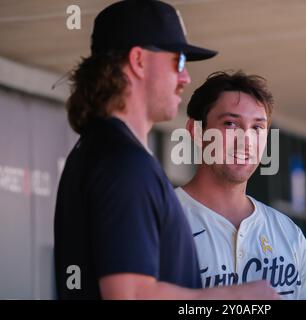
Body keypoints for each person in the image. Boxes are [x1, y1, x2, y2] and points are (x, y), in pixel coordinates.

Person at [54, 0, 278, 300]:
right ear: (139, 61)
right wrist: (236, 302)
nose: (184, 77)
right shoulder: (125, 163)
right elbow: (129, 296)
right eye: (179, 61)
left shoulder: (101, 149)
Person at [175, 70, 306, 299]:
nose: (246, 141)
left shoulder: (288, 233)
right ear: (196, 131)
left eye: (257, 128)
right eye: (231, 124)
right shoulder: (160, 220)